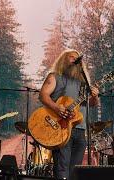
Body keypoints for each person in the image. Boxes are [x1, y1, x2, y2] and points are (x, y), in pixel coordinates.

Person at [39, 49, 99, 180]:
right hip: (60, 128)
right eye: (71, 57)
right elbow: (43, 95)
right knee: (62, 167)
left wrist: (95, 97)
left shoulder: (83, 83)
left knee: (74, 170)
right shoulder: (55, 76)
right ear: (63, 60)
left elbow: (91, 104)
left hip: (80, 129)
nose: (75, 60)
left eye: (77, 58)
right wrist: (56, 107)